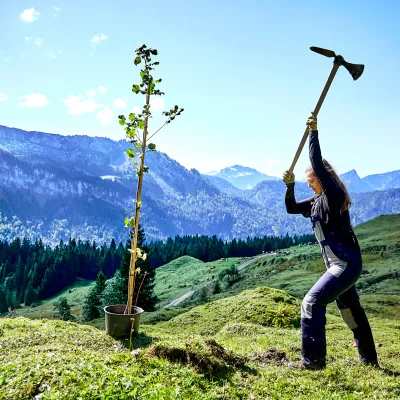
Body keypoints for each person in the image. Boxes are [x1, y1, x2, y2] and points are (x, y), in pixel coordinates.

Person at [282, 113, 378, 370]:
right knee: (350, 312)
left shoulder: (333, 195)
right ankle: (369, 360)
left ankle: (312, 361)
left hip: (344, 264)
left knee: (311, 303)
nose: (309, 185)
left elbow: (317, 162)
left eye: (310, 181)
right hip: (343, 264)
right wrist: (289, 186)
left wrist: (314, 132)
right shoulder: (315, 203)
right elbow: (291, 208)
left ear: (320, 179)